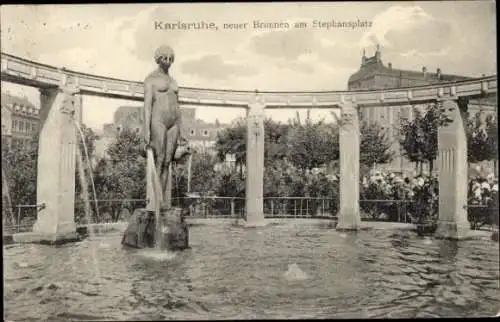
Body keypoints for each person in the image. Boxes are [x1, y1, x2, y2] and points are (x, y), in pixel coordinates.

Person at [143, 45, 189, 209]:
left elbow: (178, 107)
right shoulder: (150, 79)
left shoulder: (174, 82)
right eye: (164, 58)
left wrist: (182, 131)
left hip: (174, 122)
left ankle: (161, 200)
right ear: (158, 59)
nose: (168, 61)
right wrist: (146, 130)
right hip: (158, 120)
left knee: (168, 161)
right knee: (159, 158)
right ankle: (154, 200)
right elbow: (147, 106)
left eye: (170, 58)